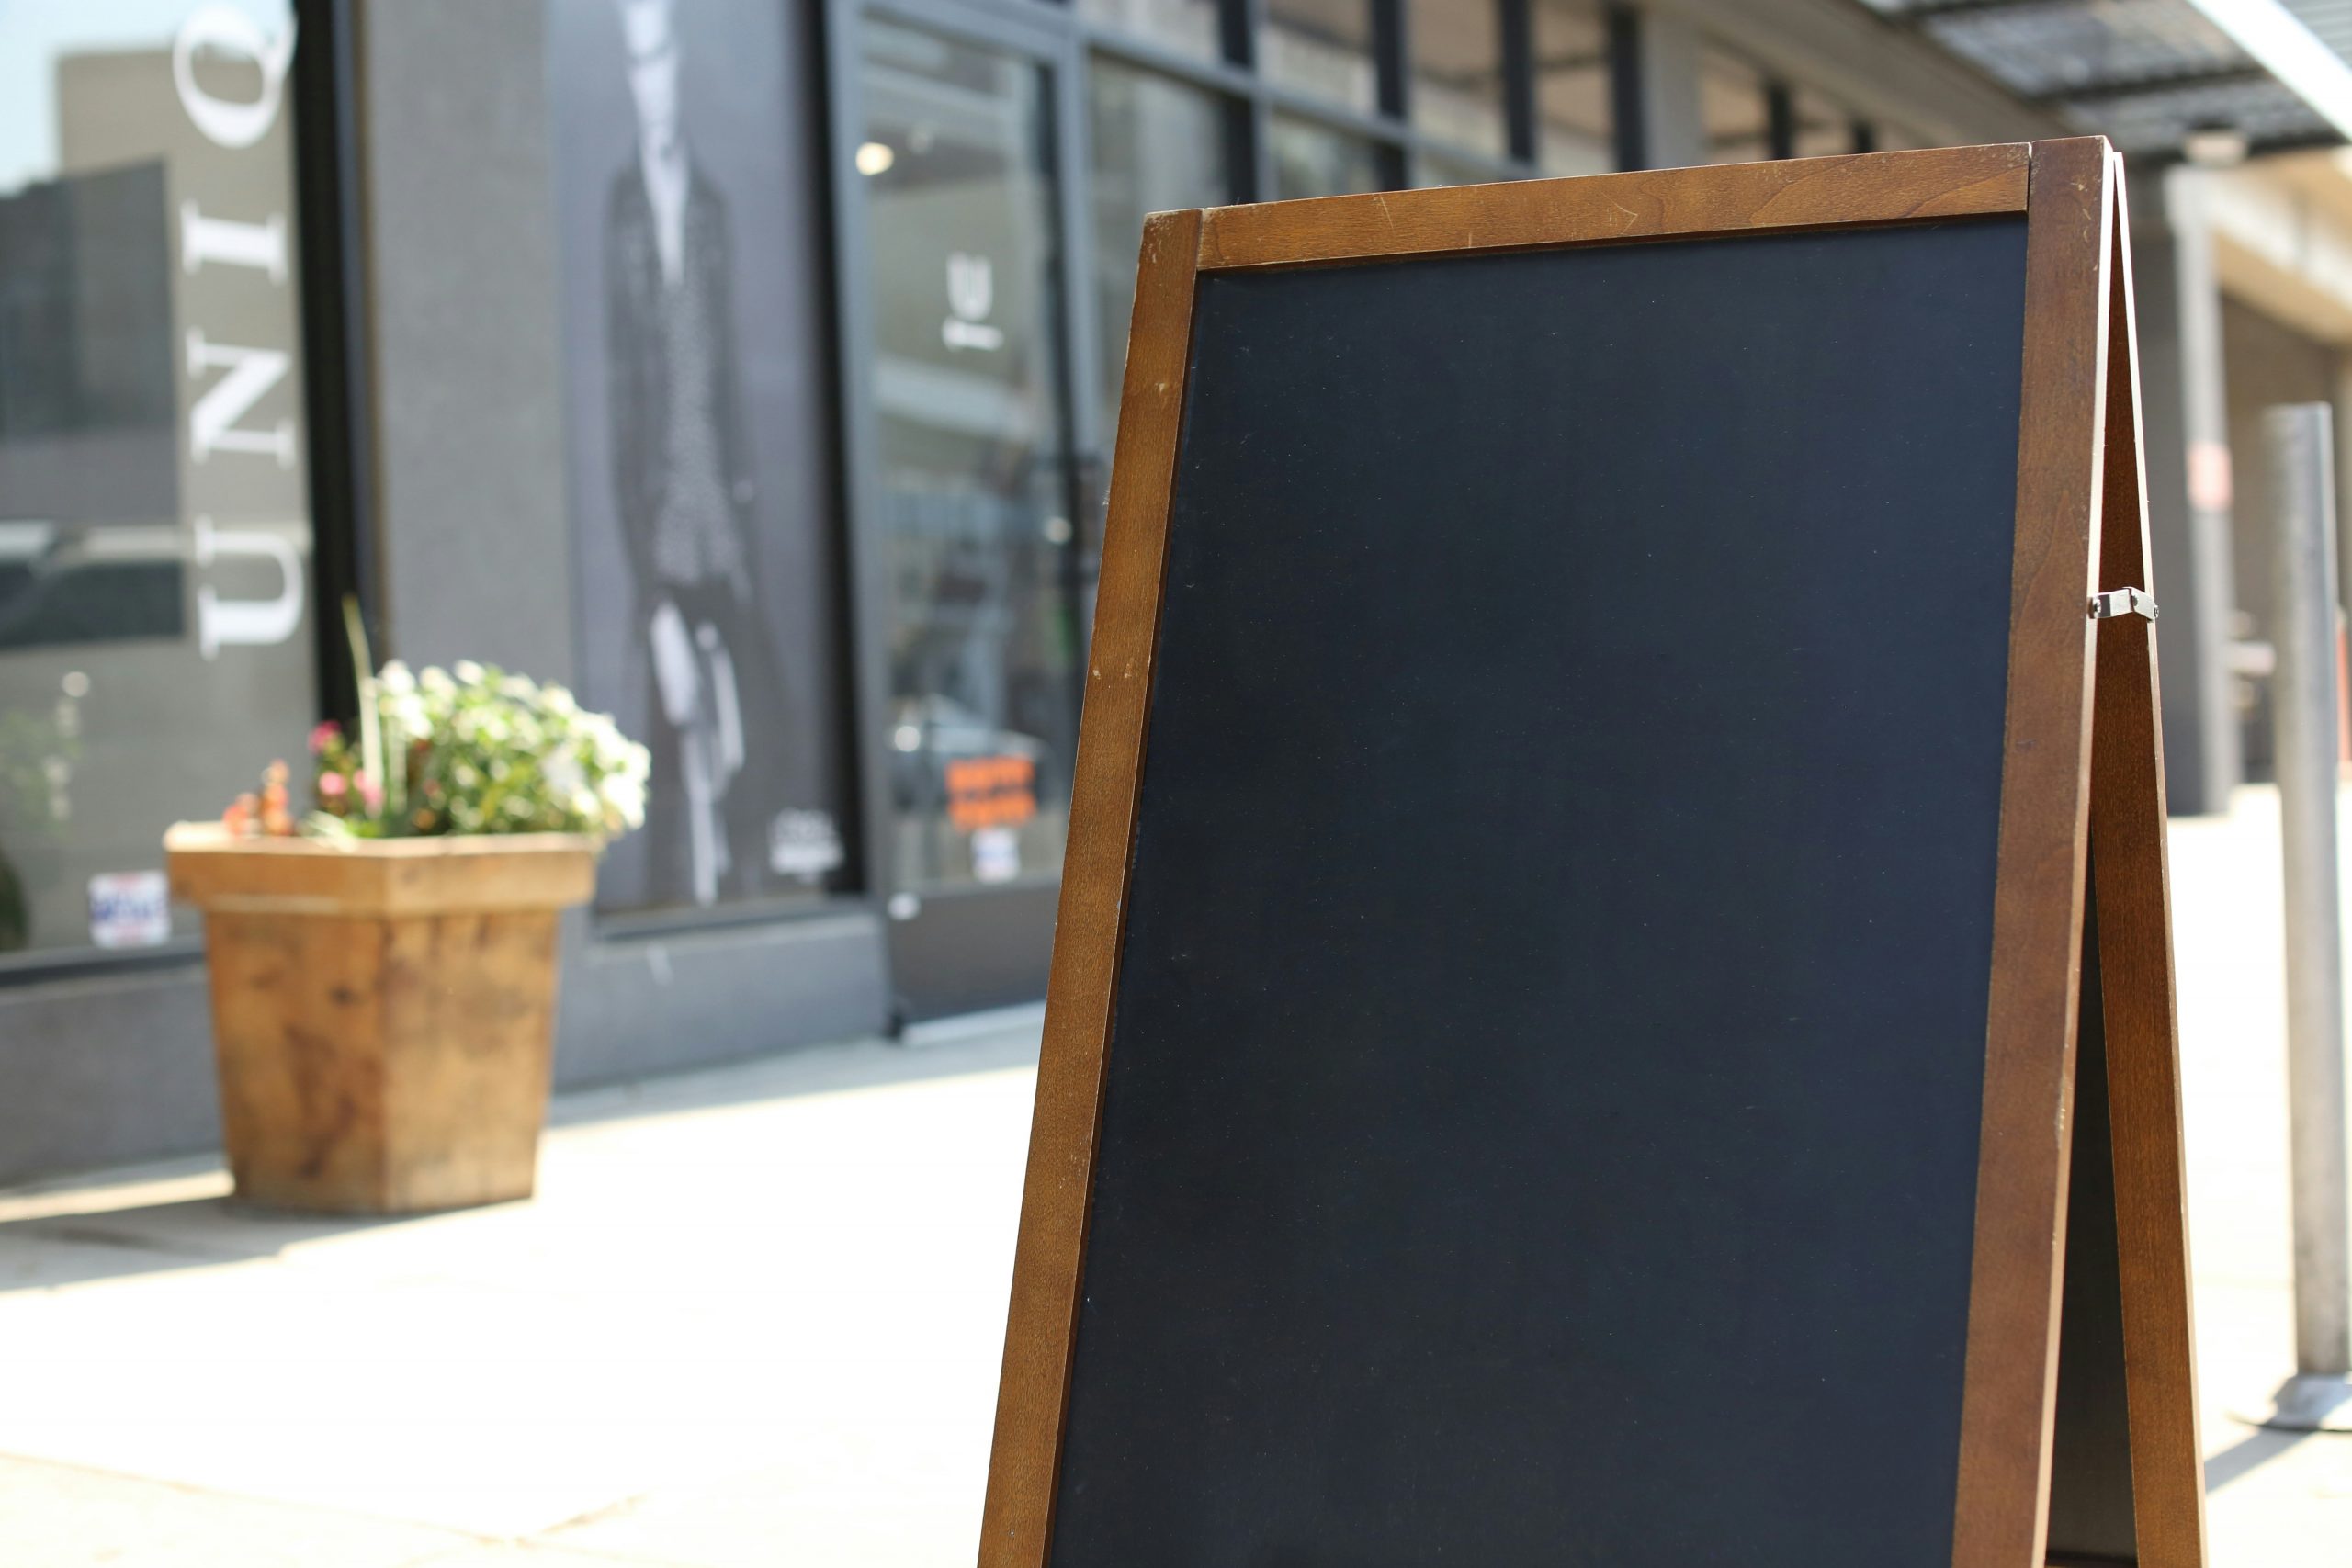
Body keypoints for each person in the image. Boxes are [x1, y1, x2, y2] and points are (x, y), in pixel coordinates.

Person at [605, 0, 788, 905]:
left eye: (661, 58)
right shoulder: (621, 212)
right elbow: (619, 405)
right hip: (661, 518)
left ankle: (748, 893)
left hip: (720, 508)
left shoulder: (708, 207)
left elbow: (729, 379)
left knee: (756, 715)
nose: (653, 82)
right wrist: (649, 593)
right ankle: (682, 899)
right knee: (674, 724)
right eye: (636, 62)